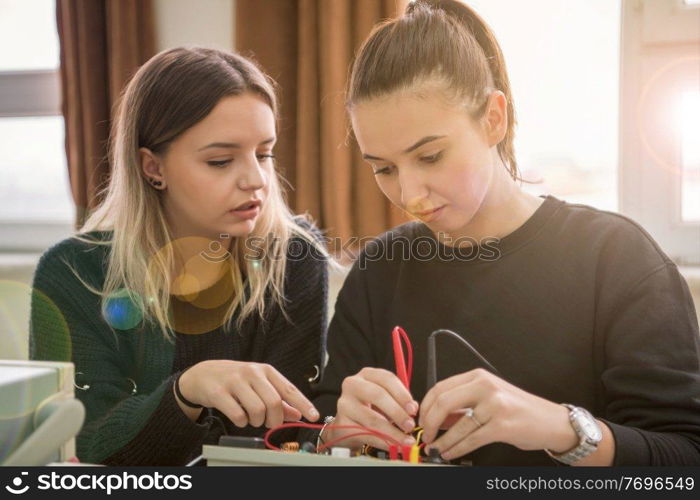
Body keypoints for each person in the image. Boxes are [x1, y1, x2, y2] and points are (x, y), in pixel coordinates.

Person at [311, 0, 700, 465]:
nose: (410, 193)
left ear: (493, 118)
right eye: (384, 168)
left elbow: (685, 462)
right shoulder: (379, 270)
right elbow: (321, 434)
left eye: (430, 156)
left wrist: (562, 428)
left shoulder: (615, 258)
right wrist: (338, 433)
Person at [29, 47, 328, 465]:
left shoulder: (294, 257)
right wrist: (186, 391)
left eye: (264, 153)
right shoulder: (74, 274)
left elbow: (291, 437)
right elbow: (87, 444)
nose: (256, 180)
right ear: (153, 167)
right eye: (221, 161)